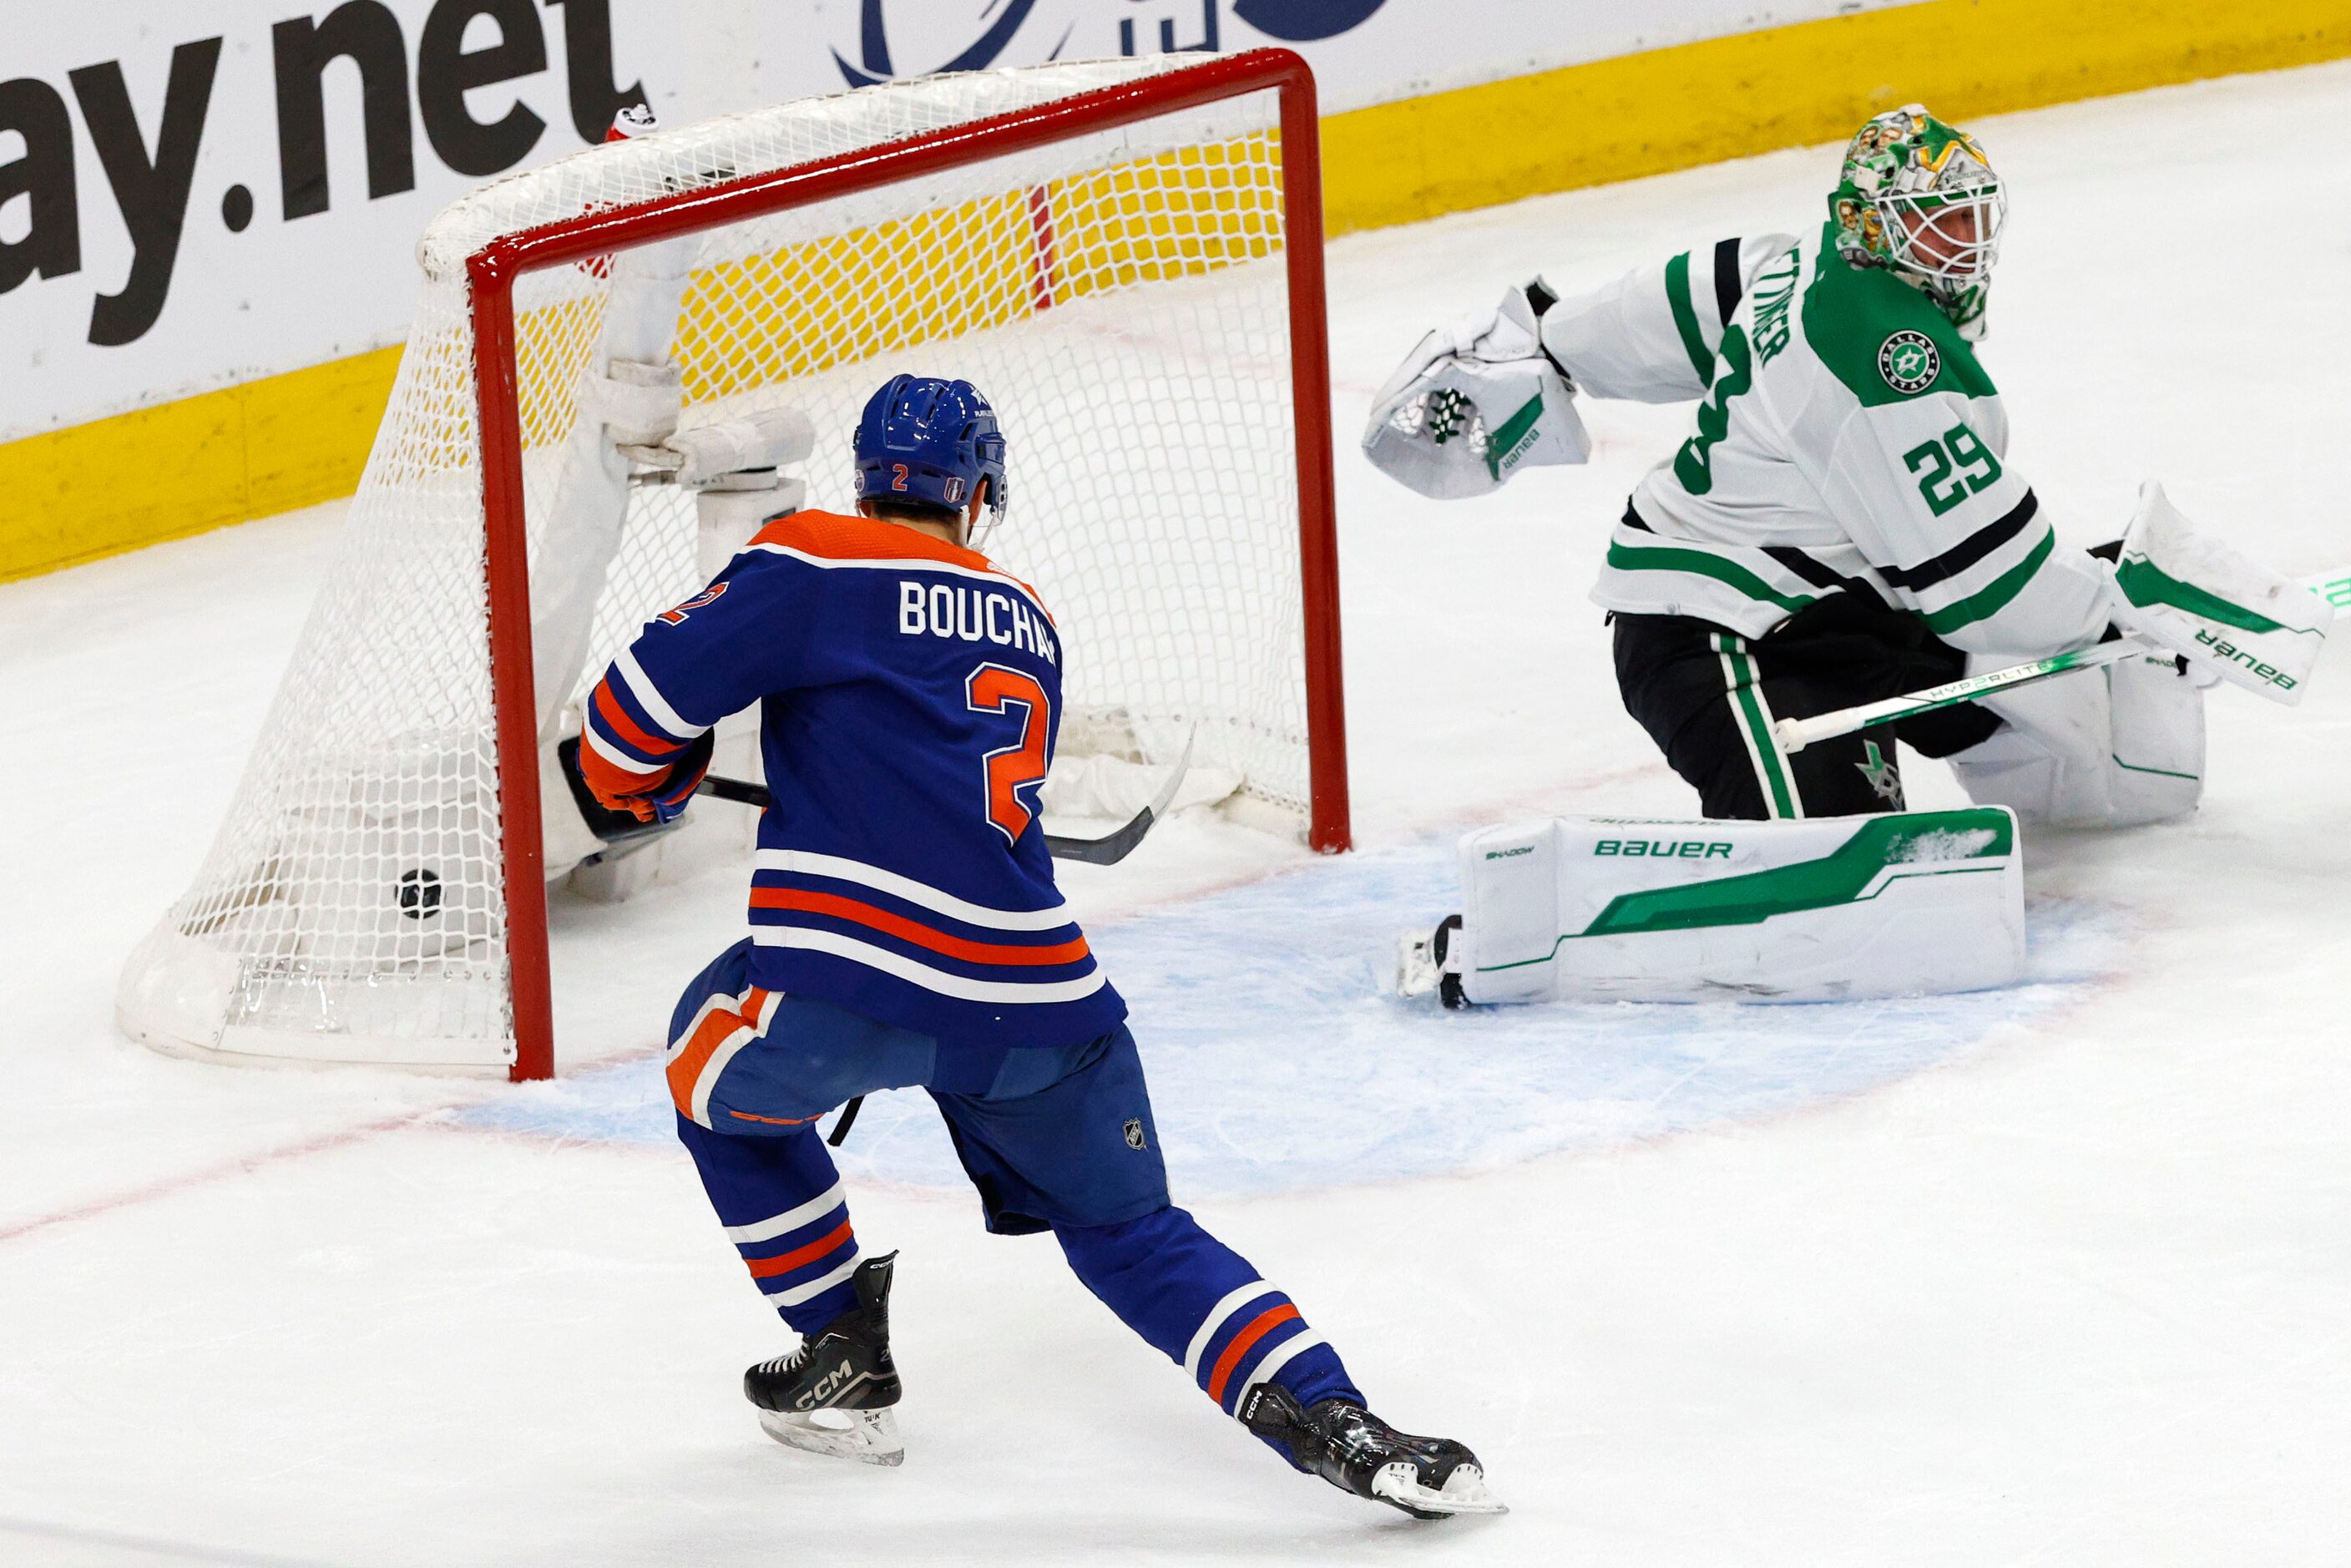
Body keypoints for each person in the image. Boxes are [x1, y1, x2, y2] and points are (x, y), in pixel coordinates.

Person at [576, 374, 1500, 1518]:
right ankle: (1339, 1420)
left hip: (848, 985)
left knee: (704, 1067)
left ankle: (839, 1344)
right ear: (976, 495)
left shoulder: (809, 554)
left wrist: (644, 789)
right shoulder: (1028, 613)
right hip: (1043, 1000)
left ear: (869, 482)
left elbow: (625, 722)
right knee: (1132, 1235)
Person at [1365, 104, 2202, 826]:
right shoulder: (1876, 355)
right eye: (1937, 219)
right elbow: (1984, 584)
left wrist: (1551, 341)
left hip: (1842, 613)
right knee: (1838, 854)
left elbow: (1670, 306)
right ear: (1871, 223)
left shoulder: (1804, 258)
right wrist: (2120, 613)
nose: (1966, 241)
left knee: (2069, 714)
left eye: (1973, 214)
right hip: (1711, 632)